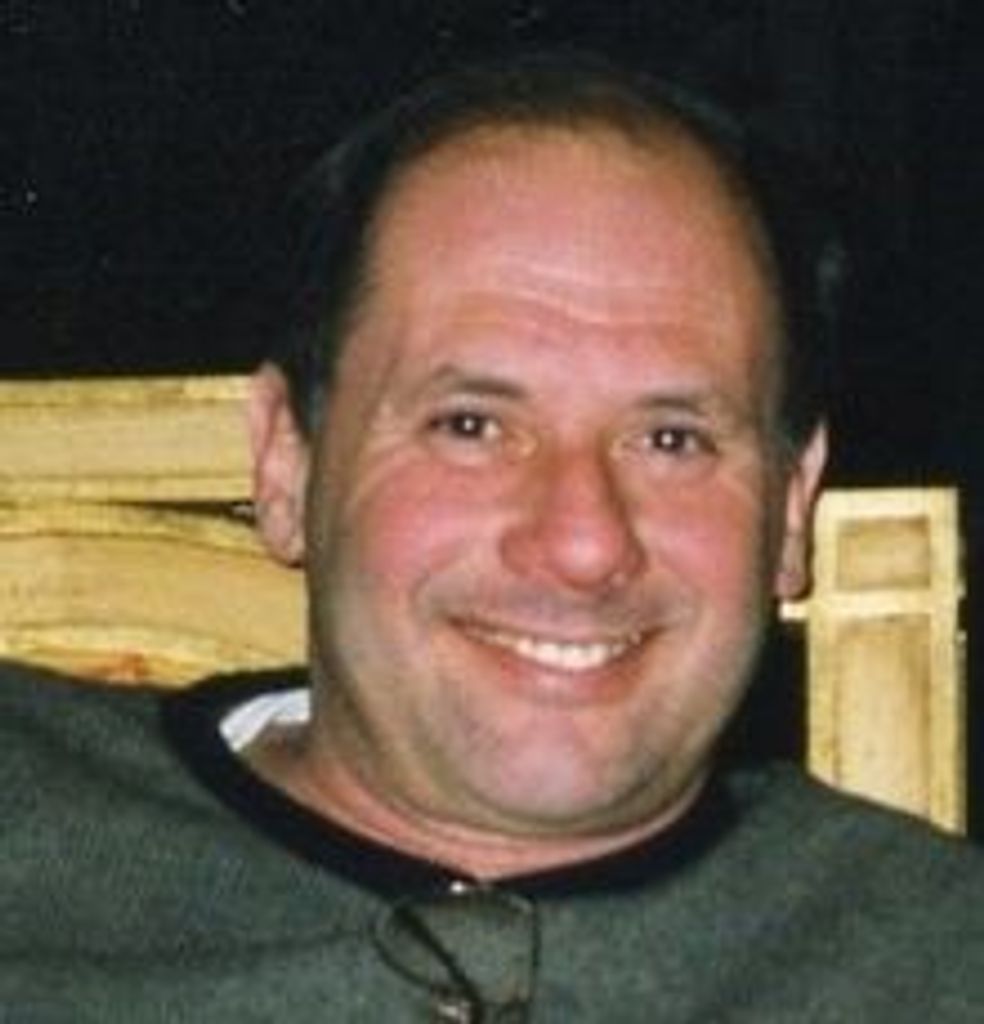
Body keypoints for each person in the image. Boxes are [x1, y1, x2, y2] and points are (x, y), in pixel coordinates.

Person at [2, 51, 982, 1022]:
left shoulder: (939, 956)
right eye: (470, 426)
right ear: (286, 460)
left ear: (792, 506)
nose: (585, 544)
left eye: (672, 440)